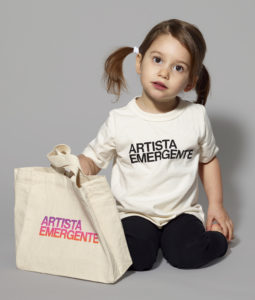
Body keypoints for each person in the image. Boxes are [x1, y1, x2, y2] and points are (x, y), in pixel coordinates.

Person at [78, 18, 234, 271]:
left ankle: (218, 241)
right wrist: (76, 166)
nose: (164, 72)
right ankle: (142, 241)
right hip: (134, 212)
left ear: (190, 82)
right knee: (137, 258)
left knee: (186, 255)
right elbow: (93, 160)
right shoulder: (120, 121)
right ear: (139, 62)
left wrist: (216, 204)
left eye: (179, 68)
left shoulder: (195, 116)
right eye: (158, 60)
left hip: (180, 213)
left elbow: (208, 159)